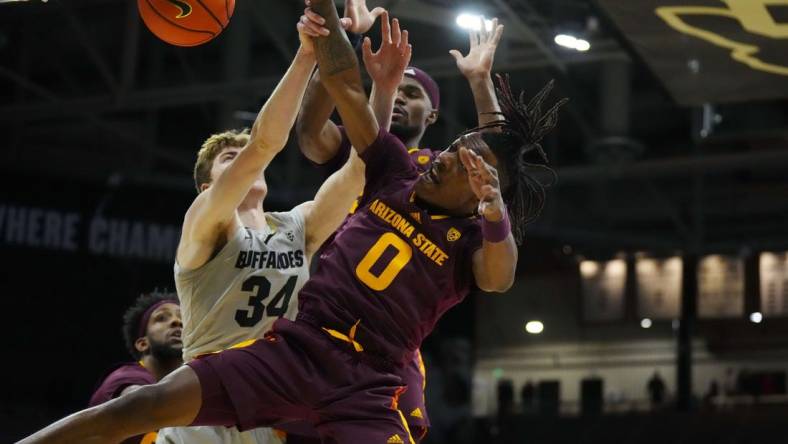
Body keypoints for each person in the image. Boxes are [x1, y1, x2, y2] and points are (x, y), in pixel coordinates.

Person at [18, 0, 565, 441]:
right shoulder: (394, 167)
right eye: (452, 148)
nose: (447, 155)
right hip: (293, 348)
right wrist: (333, 28)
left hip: (374, 376)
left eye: (419, 96)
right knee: (139, 407)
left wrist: (479, 91)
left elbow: (500, 240)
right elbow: (319, 118)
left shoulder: (474, 229)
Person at [158, 7, 410, 444]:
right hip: (204, 403)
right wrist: (306, 55)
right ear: (206, 186)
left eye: (241, 156)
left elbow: (359, 172)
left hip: (271, 408)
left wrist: (383, 90)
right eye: (227, 159)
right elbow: (264, 143)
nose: (243, 161)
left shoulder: (297, 225)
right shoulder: (206, 220)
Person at [296, 7, 505, 440]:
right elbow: (310, 135)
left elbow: (499, 157)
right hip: (321, 311)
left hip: (388, 341)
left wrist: (481, 83)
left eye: (414, 94)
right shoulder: (364, 153)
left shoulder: (437, 173)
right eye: (398, 88)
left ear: (431, 119)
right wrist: (348, 38)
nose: (402, 98)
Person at [88, 292, 183, 444]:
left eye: (183, 318)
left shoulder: (182, 389)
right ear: (142, 343)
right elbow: (138, 400)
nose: (177, 321)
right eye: (161, 318)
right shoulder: (127, 376)